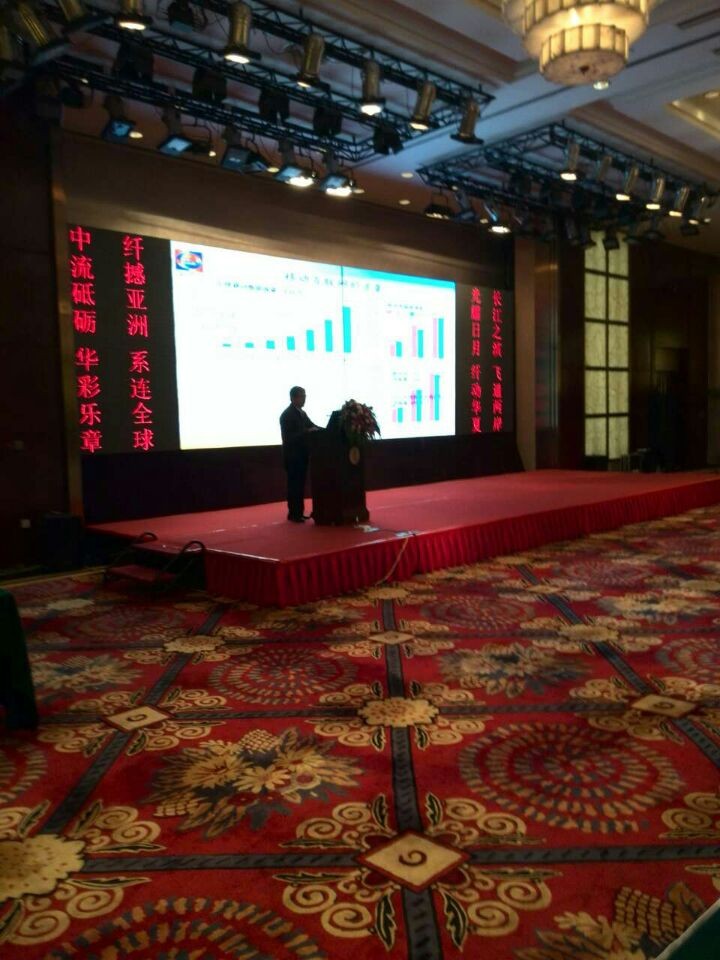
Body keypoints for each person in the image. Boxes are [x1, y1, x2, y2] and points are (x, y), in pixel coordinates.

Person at [279, 386, 320, 522]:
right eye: (302, 396)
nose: (304, 399)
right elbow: (289, 437)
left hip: (302, 455)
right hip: (293, 456)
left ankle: (299, 512)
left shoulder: (302, 413)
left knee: (300, 485)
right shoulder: (287, 415)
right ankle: (293, 514)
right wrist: (307, 432)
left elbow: (312, 426)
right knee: (294, 486)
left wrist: (327, 431)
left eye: (305, 396)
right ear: (293, 398)